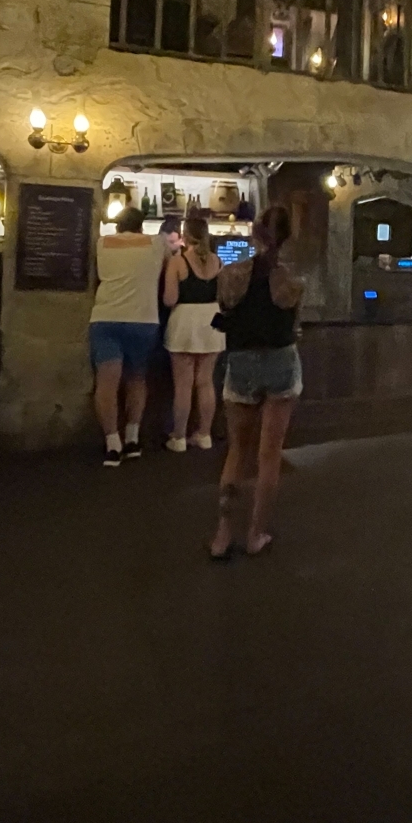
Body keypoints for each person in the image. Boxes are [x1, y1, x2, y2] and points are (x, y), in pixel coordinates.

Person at [210, 205, 304, 561]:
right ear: (287, 237)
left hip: (241, 361)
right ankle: (255, 535)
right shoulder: (292, 280)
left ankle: (222, 536)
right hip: (281, 361)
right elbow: (294, 325)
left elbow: (226, 309)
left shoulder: (231, 274)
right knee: (269, 455)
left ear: (255, 233)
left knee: (237, 451)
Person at [89, 205, 171, 467]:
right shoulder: (156, 244)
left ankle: (113, 444)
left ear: (117, 225)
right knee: (137, 378)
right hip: (143, 319)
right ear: (141, 225)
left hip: (106, 317)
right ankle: (133, 438)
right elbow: (169, 266)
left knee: (107, 382)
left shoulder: (102, 243)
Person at [161, 211, 226, 453]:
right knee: (206, 382)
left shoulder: (178, 262)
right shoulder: (217, 261)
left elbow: (170, 299)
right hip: (213, 321)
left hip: (185, 323)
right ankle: (204, 434)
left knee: (183, 385)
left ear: (185, 236)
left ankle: (179, 437)